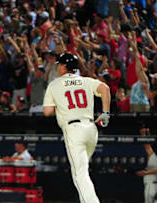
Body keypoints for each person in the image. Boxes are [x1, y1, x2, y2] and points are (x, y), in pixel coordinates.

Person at [43, 53, 111, 203]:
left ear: (64, 67)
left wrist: (60, 104)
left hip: (74, 130)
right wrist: (105, 112)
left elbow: (47, 112)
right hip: (91, 129)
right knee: (80, 172)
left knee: (80, 174)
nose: (58, 68)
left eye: (60, 65)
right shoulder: (86, 81)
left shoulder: (54, 84)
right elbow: (105, 89)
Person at [138, 124, 157, 203]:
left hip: (151, 186)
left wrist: (143, 134)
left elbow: (147, 147)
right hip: (155, 185)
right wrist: (148, 134)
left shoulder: (154, 157)